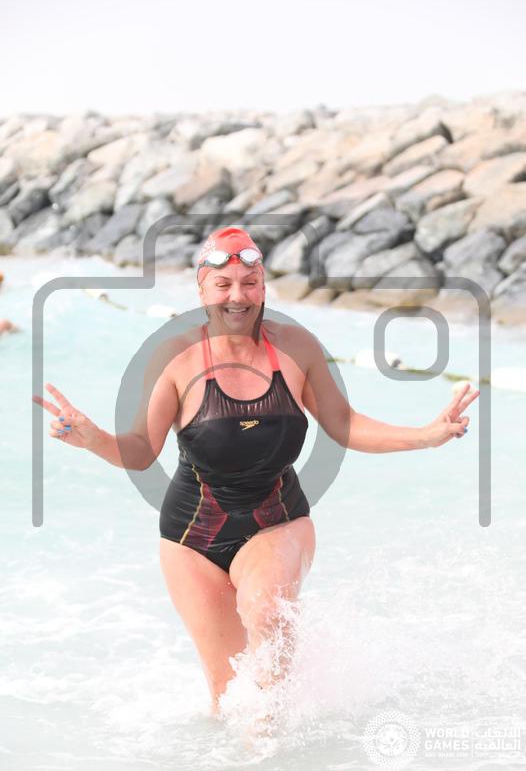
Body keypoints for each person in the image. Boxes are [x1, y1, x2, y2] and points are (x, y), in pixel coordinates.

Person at [32, 226, 480, 719]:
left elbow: (344, 424)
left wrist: (425, 435)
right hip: (191, 539)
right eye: (223, 284)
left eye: (249, 283)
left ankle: (279, 742)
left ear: (263, 287)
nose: (237, 296)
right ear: (202, 290)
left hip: (277, 521)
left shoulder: (297, 348)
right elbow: (140, 452)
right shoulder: (176, 358)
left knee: (266, 618)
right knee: (226, 700)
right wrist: (93, 437)